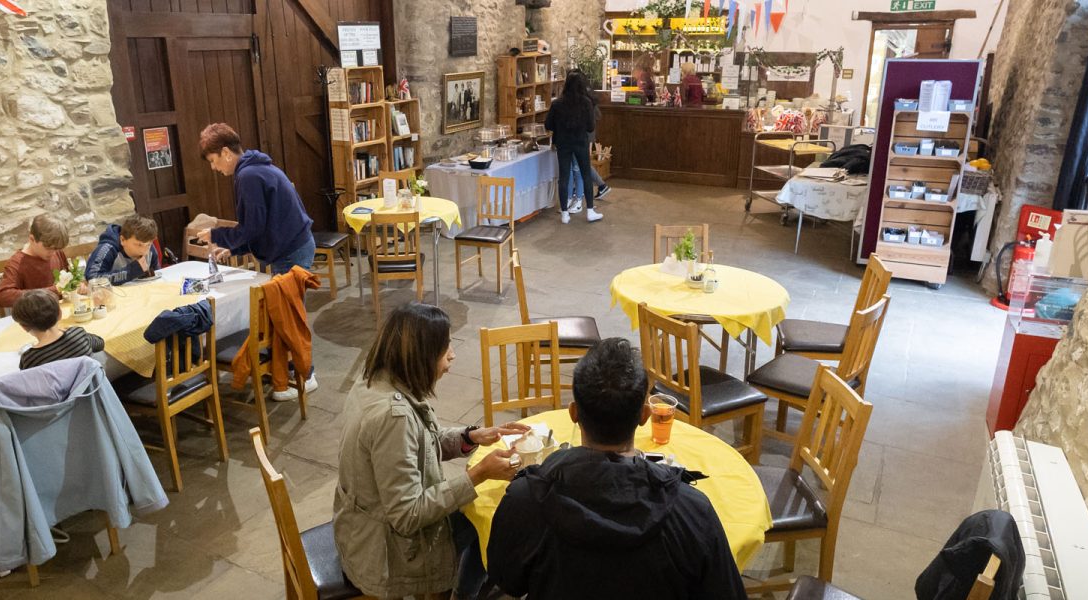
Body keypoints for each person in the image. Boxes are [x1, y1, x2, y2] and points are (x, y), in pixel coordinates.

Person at [486, 338, 747, 600]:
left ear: (574, 413)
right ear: (645, 416)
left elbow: (507, 578)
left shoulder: (525, 499)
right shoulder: (692, 509)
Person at [334, 303, 529, 599]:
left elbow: (418, 445)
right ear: (421, 356)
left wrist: (471, 437)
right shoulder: (391, 417)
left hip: (362, 525)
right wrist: (479, 473)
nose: (452, 354)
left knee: (486, 516)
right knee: (495, 521)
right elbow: (408, 515)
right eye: (445, 348)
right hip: (384, 551)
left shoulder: (373, 381)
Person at [192, 122, 317, 276]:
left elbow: (253, 227)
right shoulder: (254, 169)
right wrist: (234, 249)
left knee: (287, 301)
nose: (213, 167)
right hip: (294, 245)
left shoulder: (248, 176)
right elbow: (260, 226)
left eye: (212, 160)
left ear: (225, 153)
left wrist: (215, 234)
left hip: (290, 251)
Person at [546, 71, 606, 224]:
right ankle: (590, 211)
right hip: (580, 142)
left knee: (564, 177)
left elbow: (548, 125)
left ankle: (565, 213)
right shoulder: (586, 103)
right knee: (586, 175)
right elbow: (591, 127)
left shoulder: (557, 103)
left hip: (563, 144)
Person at [13, 289, 106, 370]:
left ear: (24, 327)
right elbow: (100, 343)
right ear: (60, 314)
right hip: (90, 387)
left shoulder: (29, 359)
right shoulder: (78, 334)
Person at [0, 215, 71, 308]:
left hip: (58, 311)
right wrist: (51, 291)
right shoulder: (17, 263)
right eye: (48, 248)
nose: (53, 253)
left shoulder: (56, 252)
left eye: (56, 249)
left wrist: (76, 286)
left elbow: (67, 281)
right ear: (32, 239)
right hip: (34, 318)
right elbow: (3, 296)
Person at [86, 215, 160, 285]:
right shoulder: (107, 248)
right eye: (139, 245)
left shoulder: (148, 245)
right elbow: (92, 278)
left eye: (148, 244)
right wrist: (131, 271)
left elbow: (157, 275)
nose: (144, 251)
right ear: (123, 240)